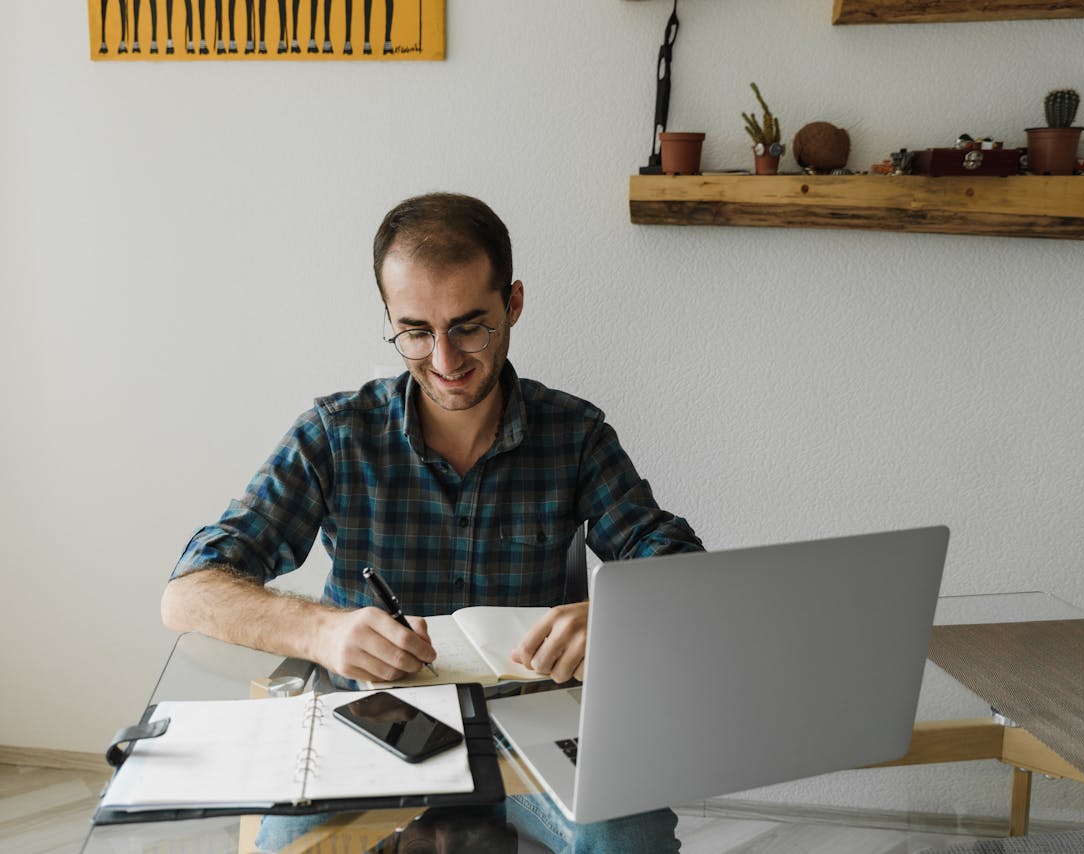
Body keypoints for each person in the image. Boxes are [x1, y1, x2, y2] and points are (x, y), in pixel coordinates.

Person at [160, 192, 702, 852]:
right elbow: (189, 590)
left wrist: (622, 610)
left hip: (533, 721)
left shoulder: (574, 434)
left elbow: (675, 557)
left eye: (470, 326)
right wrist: (324, 632)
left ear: (514, 304)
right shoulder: (336, 435)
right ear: (390, 319)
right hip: (373, 722)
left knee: (630, 841)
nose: (445, 361)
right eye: (416, 331)